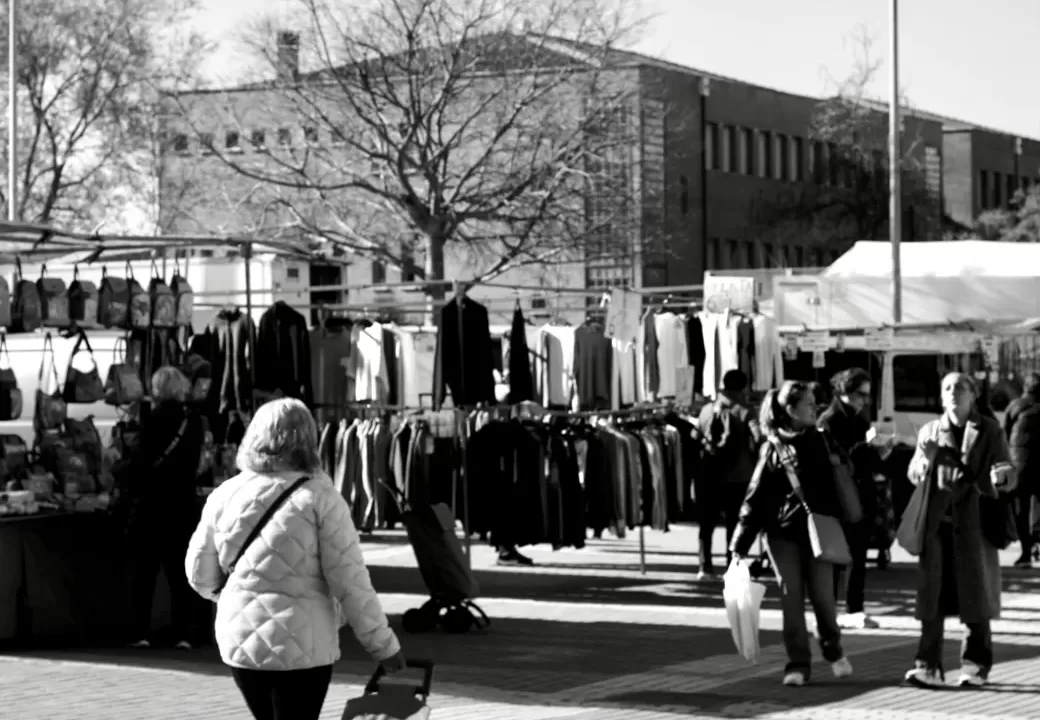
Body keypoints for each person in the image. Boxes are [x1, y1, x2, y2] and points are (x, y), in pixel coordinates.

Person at [185, 398, 405, 720]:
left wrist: (236, 596)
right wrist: (384, 647)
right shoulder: (322, 498)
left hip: (241, 642)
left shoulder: (226, 493)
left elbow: (198, 574)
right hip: (306, 645)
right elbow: (352, 585)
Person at [729, 380, 853, 686]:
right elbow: (754, 498)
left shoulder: (824, 440)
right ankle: (797, 664)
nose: (815, 409)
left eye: (815, 403)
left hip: (820, 532)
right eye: (809, 404)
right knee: (791, 599)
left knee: (824, 599)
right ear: (790, 410)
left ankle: (832, 648)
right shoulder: (771, 448)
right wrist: (739, 545)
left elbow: (847, 472)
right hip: (782, 534)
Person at [903, 373, 1015, 689]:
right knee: (931, 596)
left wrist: (1000, 478)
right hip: (937, 525)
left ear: (973, 395)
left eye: (961, 388)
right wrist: (923, 460)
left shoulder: (989, 430)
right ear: (941, 397)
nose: (954, 392)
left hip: (974, 524)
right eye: (948, 388)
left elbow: (1008, 474)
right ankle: (926, 664)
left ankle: (975, 665)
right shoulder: (930, 430)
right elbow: (914, 474)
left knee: (975, 595)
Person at [121, 366, 204, 650]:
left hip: (152, 505)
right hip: (183, 505)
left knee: (145, 575)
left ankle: (139, 632)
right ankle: (183, 633)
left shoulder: (152, 419)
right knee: (180, 575)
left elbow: (139, 462)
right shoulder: (194, 422)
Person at [817, 368, 888, 630]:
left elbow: (864, 461)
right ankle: (835, 609)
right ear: (843, 391)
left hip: (859, 496)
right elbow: (836, 461)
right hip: (840, 497)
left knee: (857, 554)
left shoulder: (858, 419)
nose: (864, 401)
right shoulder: (830, 420)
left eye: (867, 396)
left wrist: (880, 450)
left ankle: (854, 608)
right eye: (860, 395)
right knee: (839, 556)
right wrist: (867, 448)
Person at [694, 369, 760, 580]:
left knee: (707, 524)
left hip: (708, 474)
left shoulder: (705, 410)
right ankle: (732, 566)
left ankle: (704, 566)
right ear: (744, 387)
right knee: (734, 523)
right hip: (738, 476)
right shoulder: (745, 411)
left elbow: (696, 435)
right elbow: (758, 438)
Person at [1004, 373, 1040, 567]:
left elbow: (1006, 434)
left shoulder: (1015, 406)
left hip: (1020, 464)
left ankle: (1026, 552)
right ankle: (1036, 538)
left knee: (1021, 508)